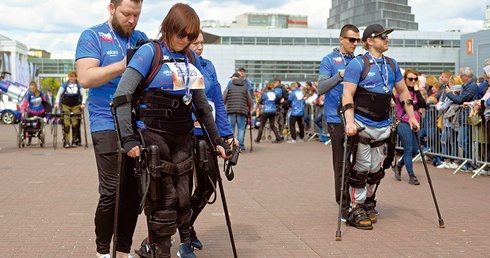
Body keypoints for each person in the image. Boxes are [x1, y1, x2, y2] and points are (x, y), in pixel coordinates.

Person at [112, 3, 231, 258]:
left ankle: (151, 245)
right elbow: (122, 96)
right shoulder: (149, 53)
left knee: (183, 200)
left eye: (191, 36)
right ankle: (159, 251)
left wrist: (218, 139)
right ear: (169, 28)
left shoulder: (190, 58)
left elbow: (201, 105)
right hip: (153, 135)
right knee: (164, 201)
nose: (186, 41)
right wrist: (128, 139)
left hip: (183, 137)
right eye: (182, 35)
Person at [75, 0, 148, 257]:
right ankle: (103, 252)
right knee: (111, 191)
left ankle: (124, 250)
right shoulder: (93, 35)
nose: (131, 20)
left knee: (134, 192)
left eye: (136, 15)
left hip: (136, 123)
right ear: (111, 8)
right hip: (105, 120)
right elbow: (85, 77)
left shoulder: (141, 39)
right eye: (126, 14)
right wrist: (128, 64)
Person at [342, 24, 419, 230]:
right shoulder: (358, 64)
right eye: (382, 36)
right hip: (361, 124)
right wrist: (349, 122)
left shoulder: (392, 65)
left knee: (376, 170)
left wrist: (411, 117)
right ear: (370, 40)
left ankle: (368, 201)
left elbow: (403, 93)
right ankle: (354, 207)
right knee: (360, 169)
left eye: (387, 36)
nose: (386, 39)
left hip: (383, 125)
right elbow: (347, 94)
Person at [186, 29, 236, 251]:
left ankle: (187, 224)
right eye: (195, 43)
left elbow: (218, 101)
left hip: (208, 135)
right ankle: (182, 234)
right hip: (184, 135)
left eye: (202, 43)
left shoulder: (209, 67)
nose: (199, 46)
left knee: (208, 185)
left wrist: (226, 135)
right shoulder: (180, 67)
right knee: (180, 190)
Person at [317, 24, 360, 221]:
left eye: (357, 40)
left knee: (360, 163)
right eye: (352, 39)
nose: (355, 43)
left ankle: (360, 201)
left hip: (358, 118)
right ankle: (343, 203)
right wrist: (340, 75)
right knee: (341, 163)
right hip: (337, 120)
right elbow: (321, 87)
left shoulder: (360, 61)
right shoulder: (329, 60)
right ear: (341, 39)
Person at [393, 69, 426, 185]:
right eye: (410, 79)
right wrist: (416, 105)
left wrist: (417, 90)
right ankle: (411, 175)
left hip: (415, 122)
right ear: (405, 79)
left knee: (415, 151)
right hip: (403, 122)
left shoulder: (415, 92)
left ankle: (398, 165)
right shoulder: (401, 91)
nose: (413, 81)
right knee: (408, 148)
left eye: (415, 79)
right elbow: (407, 104)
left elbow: (422, 104)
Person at [54, 71, 87, 148]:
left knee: (75, 123)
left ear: (75, 77)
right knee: (66, 123)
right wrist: (57, 102)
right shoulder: (65, 84)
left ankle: (74, 140)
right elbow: (59, 94)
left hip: (76, 105)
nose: (71, 78)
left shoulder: (79, 85)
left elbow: (84, 95)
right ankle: (67, 140)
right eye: (70, 77)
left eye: (72, 77)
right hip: (66, 105)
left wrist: (83, 103)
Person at [223, 72, 253, 151]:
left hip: (230, 110)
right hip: (242, 110)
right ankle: (240, 146)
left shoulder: (229, 86)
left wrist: (223, 106)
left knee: (231, 129)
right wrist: (249, 108)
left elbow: (223, 98)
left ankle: (232, 145)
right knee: (241, 129)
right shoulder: (245, 87)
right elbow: (249, 100)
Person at [21, 81, 48, 146]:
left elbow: (44, 102)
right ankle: (29, 139)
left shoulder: (40, 93)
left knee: (39, 125)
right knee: (29, 125)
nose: (32, 90)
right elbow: (25, 104)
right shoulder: (28, 94)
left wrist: (46, 110)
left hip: (40, 112)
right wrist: (23, 112)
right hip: (31, 112)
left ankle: (41, 137)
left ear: (36, 87)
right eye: (31, 88)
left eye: (33, 88)